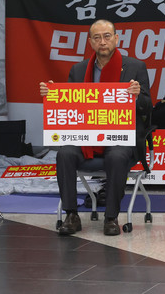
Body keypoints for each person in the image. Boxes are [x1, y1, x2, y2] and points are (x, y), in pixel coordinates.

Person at [40, 19, 152, 236]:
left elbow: (147, 107)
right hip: (86, 137)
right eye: (97, 37)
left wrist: (137, 96)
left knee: (117, 156)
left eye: (107, 36)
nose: (103, 41)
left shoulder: (135, 67)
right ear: (90, 42)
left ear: (116, 39)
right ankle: (71, 215)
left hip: (120, 138)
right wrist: (51, 95)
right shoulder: (79, 70)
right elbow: (69, 105)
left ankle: (111, 217)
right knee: (65, 154)